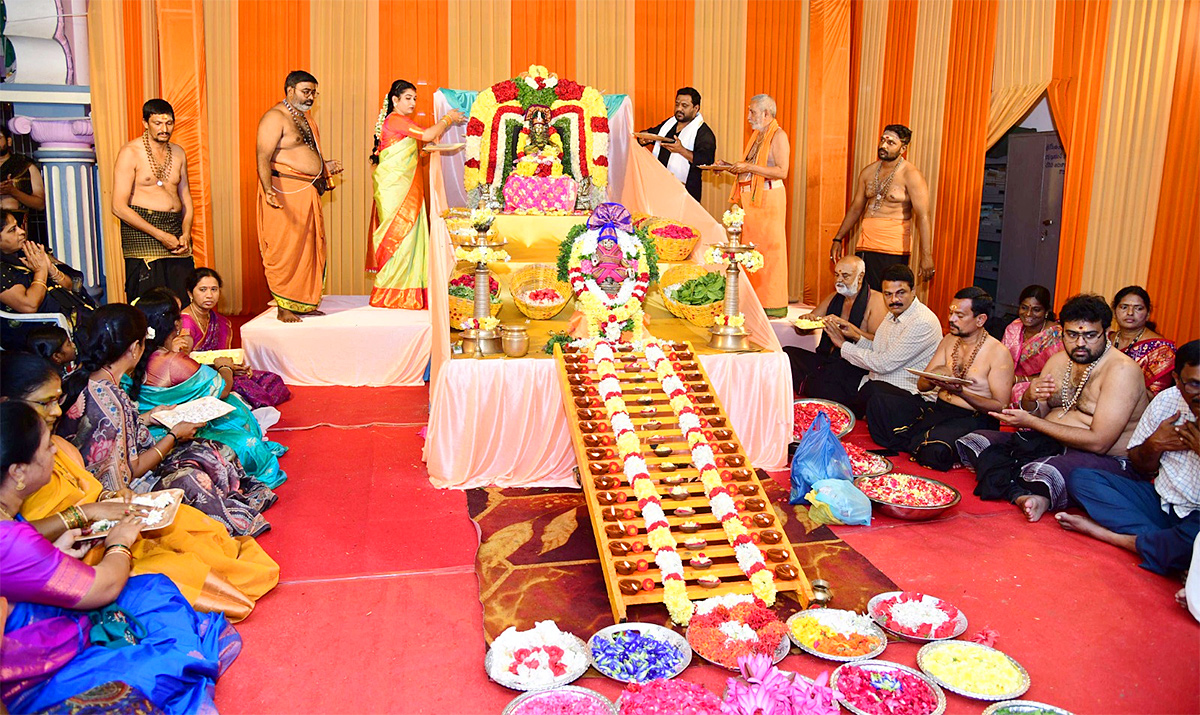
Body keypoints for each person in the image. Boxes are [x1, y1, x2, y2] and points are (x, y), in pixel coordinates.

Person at [0, 401, 242, 713]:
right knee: (163, 662)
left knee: (154, 589)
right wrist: (119, 543)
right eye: (47, 447)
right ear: (18, 471)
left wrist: (56, 553)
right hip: (41, 671)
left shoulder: (9, 518)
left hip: (54, 621)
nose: (55, 453)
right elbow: (104, 587)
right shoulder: (11, 538)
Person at [1, 352, 279, 620]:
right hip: (73, 554)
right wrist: (89, 517)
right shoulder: (12, 460)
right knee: (172, 567)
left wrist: (112, 498)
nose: (57, 410)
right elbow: (14, 540)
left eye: (58, 399)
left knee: (187, 522)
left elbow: (87, 485)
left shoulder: (54, 443)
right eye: (45, 402)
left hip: (98, 524)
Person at [60, 304, 276, 537]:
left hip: (105, 477)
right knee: (193, 479)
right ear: (134, 348)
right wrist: (174, 435)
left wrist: (148, 417)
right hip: (116, 494)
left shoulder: (88, 381)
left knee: (211, 449)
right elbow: (131, 471)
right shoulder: (111, 400)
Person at [958, 294, 1150, 522]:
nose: (1080, 343)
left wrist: (1030, 422)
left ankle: (1027, 489)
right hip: (1051, 444)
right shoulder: (1059, 361)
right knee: (974, 441)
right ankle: (1024, 494)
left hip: (1106, 459)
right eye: (1072, 335)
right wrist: (1029, 397)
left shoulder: (1121, 371)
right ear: (1061, 333)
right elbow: (1038, 412)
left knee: (1045, 472)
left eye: (1090, 335)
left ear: (1106, 333)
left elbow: (1100, 442)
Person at [1057, 340, 1199, 576]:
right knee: (1083, 480)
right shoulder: (1167, 401)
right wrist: (1155, 445)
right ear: (1177, 379)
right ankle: (1168, 548)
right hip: (1162, 502)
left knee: (1193, 537)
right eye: (1194, 384)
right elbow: (1140, 465)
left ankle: (1114, 537)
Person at [129, 290, 288, 489]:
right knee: (246, 437)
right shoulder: (172, 361)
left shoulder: (132, 355)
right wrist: (225, 366)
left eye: (214, 289)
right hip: (171, 433)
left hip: (145, 433)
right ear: (177, 325)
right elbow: (221, 389)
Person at [866, 287, 1014, 470]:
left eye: (960, 315)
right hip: (939, 409)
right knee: (879, 402)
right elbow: (922, 386)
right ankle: (924, 443)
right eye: (951, 312)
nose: (951, 319)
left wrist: (961, 392)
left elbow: (1001, 406)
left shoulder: (998, 353)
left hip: (973, 418)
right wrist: (935, 376)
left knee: (935, 451)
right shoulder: (949, 340)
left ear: (980, 319)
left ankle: (942, 448)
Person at [367, 79, 465, 310]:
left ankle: (405, 293)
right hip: (397, 192)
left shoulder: (401, 122)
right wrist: (447, 118)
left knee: (410, 240)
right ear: (395, 100)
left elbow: (411, 150)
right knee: (400, 239)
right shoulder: (396, 120)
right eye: (408, 98)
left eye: (414, 98)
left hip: (406, 188)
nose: (412, 102)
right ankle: (391, 294)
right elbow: (429, 134)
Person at [256, 70, 343, 322]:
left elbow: (301, 154)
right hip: (283, 192)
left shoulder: (305, 118)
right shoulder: (275, 117)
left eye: (314, 93)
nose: (311, 97)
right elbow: (262, 155)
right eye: (306, 91)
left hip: (305, 192)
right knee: (285, 249)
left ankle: (302, 304)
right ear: (290, 90)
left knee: (308, 249)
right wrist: (267, 189)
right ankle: (284, 306)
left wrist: (323, 166)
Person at [822, 263, 942, 416]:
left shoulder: (922, 322)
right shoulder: (893, 313)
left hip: (908, 394)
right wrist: (855, 336)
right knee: (835, 371)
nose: (894, 300)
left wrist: (843, 345)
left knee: (863, 388)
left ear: (913, 291)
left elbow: (884, 363)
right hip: (878, 383)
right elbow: (879, 350)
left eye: (901, 293)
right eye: (888, 294)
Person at [829, 125, 934, 290]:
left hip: (892, 248)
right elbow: (856, 208)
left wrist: (926, 255)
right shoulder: (868, 172)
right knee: (862, 293)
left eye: (891, 142)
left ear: (903, 148)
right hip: (865, 245)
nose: (884, 145)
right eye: (883, 139)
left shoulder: (911, 175)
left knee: (887, 295)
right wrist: (838, 238)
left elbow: (924, 216)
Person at [712, 94, 790, 317]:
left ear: (767, 114)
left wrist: (747, 166)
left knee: (769, 254)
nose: (748, 117)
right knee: (750, 251)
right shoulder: (758, 135)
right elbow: (750, 168)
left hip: (770, 200)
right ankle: (753, 304)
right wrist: (727, 166)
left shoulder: (779, 136)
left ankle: (772, 306)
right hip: (752, 201)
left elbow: (782, 171)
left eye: (752, 112)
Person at [111, 99, 195, 303]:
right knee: (149, 307)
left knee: (182, 302)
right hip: (144, 238)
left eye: (169, 123)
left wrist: (186, 232)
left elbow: (186, 200)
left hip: (176, 237)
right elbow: (118, 207)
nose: (164, 129)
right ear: (145, 123)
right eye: (158, 123)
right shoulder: (130, 152)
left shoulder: (178, 153)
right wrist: (160, 236)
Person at [179, 267, 291, 408]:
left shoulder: (220, 321)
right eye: (203, 290)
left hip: (222, 370)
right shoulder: (186, 322)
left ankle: (243, 403)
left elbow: (224, 354)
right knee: (247, 388)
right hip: (199, 377)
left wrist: (234, 367)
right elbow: (183, 363)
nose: (209, 295)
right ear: (190, 293)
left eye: (214, 289)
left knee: (272, 380)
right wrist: (223, 368)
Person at [785, 256, 886, 404]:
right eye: (837, 275)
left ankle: (818, 387)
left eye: (845, 276)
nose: (839, 280)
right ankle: (819, 387)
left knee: (833, 374)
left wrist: (851, 331)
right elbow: (804, 329)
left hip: (853, 363)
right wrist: (805, 320)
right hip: (827, 358)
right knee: (787, 355)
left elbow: (878, 342)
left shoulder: (876, 300)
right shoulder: (834, 297)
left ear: (860, 277)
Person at [0, 208, 94, 339]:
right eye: (12, 230)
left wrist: (50, 269)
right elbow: (29, 305)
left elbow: (72, 286)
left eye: (18, 226)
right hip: (39, 331)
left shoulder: (30, 251)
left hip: (72, 316)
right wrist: (40, 271)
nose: (22, 232)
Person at [636, 87, 717, 203]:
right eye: (677, 104)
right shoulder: (669, 124)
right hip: (658, 187)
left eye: (684, 106)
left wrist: (682, 150)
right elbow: (652, 133)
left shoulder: (704, 132)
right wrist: (643, 139)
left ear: (696, 108)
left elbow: (707, 161)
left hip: (685, 192)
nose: (679, 109)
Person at [1110, 285, 1176, 395]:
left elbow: (1157, 396)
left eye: (1138, 308)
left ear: (1148, 314)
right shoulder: (1104, 340)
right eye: (1124, 307)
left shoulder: (1161, 349)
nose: (1130, 313)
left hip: (1140, 409)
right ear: (1114, 311)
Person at [1002, 284, 1063, 404]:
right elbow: (1000, 361)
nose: (1028, 314)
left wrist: (1018, 380)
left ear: (1046, 312)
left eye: (1036, 310)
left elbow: (1057, 373)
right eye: (1024, 308)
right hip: (1006, 380)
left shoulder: (1056, 335)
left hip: (1039, 386)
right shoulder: (1013, 328)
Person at [0, 123, 47, 246]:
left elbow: (40, 204)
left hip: (19, 228)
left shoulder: (25, 166)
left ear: (9, 141)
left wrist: (13, 191)